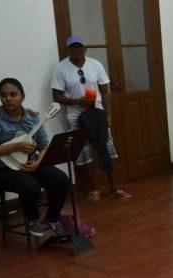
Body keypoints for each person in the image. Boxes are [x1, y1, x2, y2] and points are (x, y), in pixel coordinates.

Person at [0, 78, 68, 238]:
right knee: (31, 186)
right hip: (2, 169)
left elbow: (44, 147)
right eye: (4, 95)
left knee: (61, 179)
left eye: (13, 94)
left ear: (23, 96)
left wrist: (38, 162)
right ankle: (33, 219)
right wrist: (15, 146)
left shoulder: (33, 117)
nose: (8, 98)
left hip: (31, 163)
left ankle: (52, 218)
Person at [51, 35, 130, 200]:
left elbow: (105, 91)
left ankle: (113, 187)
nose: (76, 50)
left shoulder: (96, 64)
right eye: (73, 47)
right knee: (83, 152)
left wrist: (108, 115)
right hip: (75, 115)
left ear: (85, 49)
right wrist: (76, 101)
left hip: (97, 113)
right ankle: (93, 189)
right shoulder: (61, 68)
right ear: (68, 50)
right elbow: (56, 96)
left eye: (79, 47)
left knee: (107, 148)